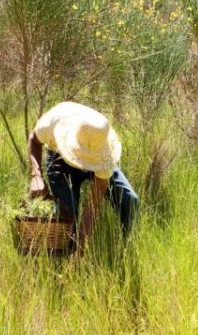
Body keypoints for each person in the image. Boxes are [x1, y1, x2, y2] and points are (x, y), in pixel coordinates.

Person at [28, 101, 138, 254]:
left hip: (98, 161)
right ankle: (64, 258)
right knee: (67, 217)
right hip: (60, 159)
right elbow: (34, 139)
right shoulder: (53, 122)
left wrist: (82, 240)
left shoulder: (101, 143)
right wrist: (36, 176)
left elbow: (93, 204)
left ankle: (125, 251)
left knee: (129, 200)